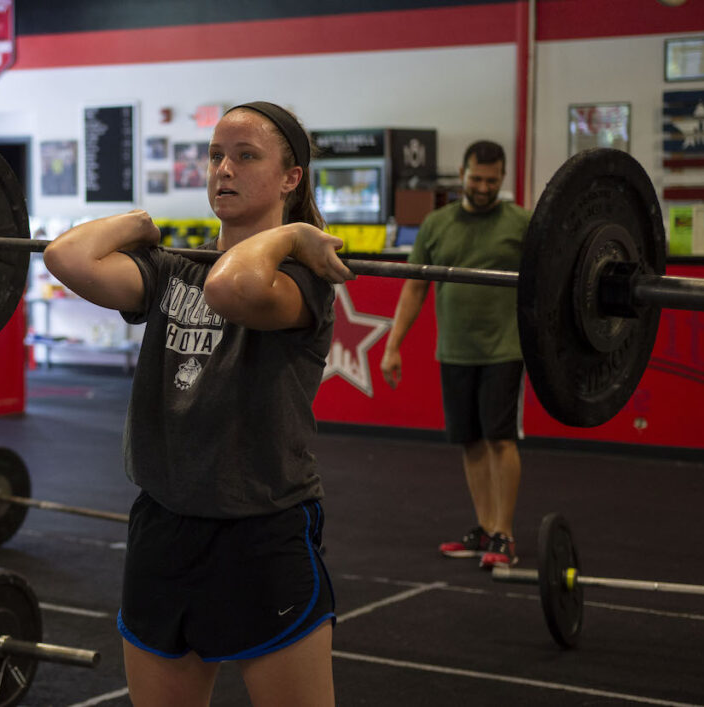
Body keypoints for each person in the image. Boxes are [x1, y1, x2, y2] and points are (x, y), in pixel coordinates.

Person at [43, 101, 352, 706]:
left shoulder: (303, 280)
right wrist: (137, 223)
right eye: (214, 156)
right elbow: (67, 258)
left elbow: (232, 287)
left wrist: (289, 235)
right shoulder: (172, 272)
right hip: (164, 527)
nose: (222, 170)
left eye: (244, 156)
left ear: (292, 178)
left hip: (260, 532)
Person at [380, 140, 529, 570]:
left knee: (501, 438)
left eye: (492, 180)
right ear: (462, 174)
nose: (483, 187)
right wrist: (393, 346)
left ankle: (504, 534)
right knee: (470, 441)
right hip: (456, 350)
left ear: (502, 178)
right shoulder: (436, 223)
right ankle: (484, 528)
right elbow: (414, 285)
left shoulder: (521, 222)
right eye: (476, 178)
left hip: (505, 347)